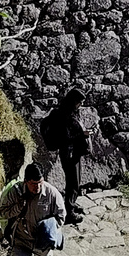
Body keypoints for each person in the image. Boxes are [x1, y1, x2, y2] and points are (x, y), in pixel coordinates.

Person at [0, 162, 68, 256]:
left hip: (42, 242)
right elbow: (3, 212)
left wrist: (49, 229)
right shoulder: (15, 193)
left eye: (40, 183)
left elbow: (61, 216)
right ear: (26, 181)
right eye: (33, 184)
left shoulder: (52, 194)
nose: (37, 187)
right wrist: (18, 208)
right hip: (21, 240)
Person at [39, 91, 92, 223]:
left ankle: (71, 204)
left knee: (74, 181)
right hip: (69, 153)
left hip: (72, 152)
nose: (80, 105)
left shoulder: (67, 112)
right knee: (73, 182)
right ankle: (69, 212)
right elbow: (66, 138)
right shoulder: (64, 115)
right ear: (73, 101)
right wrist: (83, 134)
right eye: (79, 102)